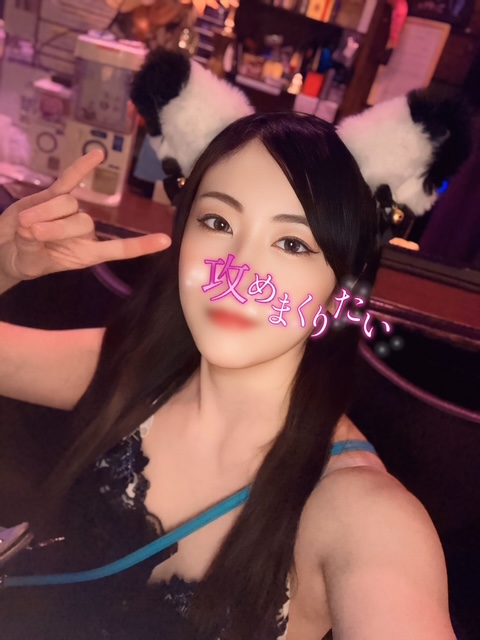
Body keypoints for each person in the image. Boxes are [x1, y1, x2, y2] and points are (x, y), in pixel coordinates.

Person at [0, 114, 455, 640]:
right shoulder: (130, 370)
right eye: (218, 223)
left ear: (339, 293)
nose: (240, 270)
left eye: (292, 244)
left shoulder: (361, 515)